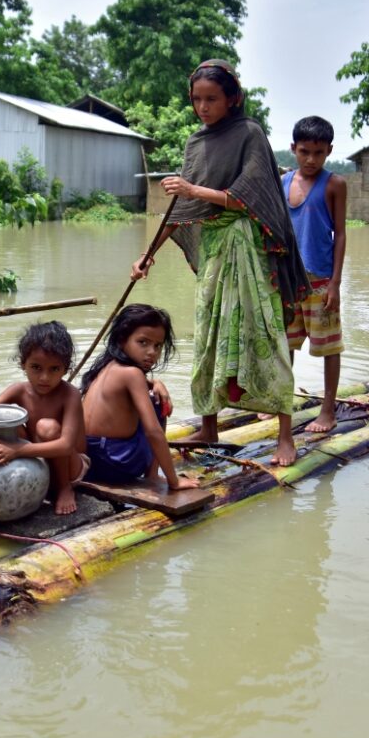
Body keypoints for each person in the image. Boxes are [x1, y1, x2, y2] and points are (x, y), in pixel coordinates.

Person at [130, 60, 309, 466]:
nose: (203, 107)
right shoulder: (196, 143)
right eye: (197, 99)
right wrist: (147, 253)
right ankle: (209, 424)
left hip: (246, 248)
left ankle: (285, 434)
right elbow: (180, 210)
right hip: (213, 251)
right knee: (209, 335)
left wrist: (193, 187)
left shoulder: (250, 134)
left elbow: (251, 196)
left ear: (234, 98)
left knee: (265, 335)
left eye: (211, 98)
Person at [0, 321, 89, 516]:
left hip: (71, 465)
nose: (44, 378)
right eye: (36, 367)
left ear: (66, 369)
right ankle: (44, 481)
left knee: (46, 427)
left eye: (54, 369)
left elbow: (65, 445)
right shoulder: (19, 390)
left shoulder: (70, 394)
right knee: (7, 425)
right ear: (23, 364)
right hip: (38, 456)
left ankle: (64, 489)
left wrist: (17, 450)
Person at [80, 304, 200, 491]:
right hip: (115, 465)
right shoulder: (133, 374)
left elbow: (129, 384)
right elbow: (153, 431)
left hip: (88, 462)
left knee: (153, 396)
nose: (152, 352)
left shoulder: (105, 366)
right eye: (143, 342)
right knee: (158, 403)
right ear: (122, 340)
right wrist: (173, 480)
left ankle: (152, 472)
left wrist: (155, 382)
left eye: (157, 345)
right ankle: (153, 475)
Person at [282, 115, 348, 432]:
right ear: (293, 148)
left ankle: (328, 411)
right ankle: (281, 404)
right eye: (305, 151)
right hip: (289, 281)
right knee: (286, 345)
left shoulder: (334, 184)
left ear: (329, 151)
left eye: (318, 153)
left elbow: (341, 234)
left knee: (328, 347)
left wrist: (335, 283)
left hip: (320, 281)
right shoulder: (282, 183)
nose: (311, 159)